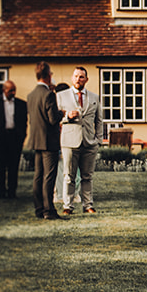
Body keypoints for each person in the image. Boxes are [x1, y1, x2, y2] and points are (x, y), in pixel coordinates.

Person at [56, 66, 105, 216]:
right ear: (72, 78)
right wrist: (67, 117)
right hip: (70, 142)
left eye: (81, 77)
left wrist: (98, 140)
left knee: (87, 176)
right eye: (76, 76)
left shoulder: (94, 97)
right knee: (68, 176)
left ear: (86, 79)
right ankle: (67, 206)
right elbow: (54, 119)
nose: (78, 79)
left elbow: (99, 121)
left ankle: (88, 205)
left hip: (89, 142)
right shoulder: (61, 96)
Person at [26, 63, 62, 220]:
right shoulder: (49, 95)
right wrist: (62, 113)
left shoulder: (31, 95)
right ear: (48, 76)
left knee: (38, 175)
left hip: (36, 139)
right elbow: (53, 119)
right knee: (49, 176)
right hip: (49, 140)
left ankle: (39, 209)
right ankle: (49, 210)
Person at [0, 79, 27, 200]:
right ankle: (1, 192)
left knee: (13, 167)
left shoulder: (21, 104)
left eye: (14, 90)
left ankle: (12, 192)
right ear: (3, 90)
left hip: (14, 138)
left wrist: (22, 137)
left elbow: (24, 123)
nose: (13, 92)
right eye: (10, 90)